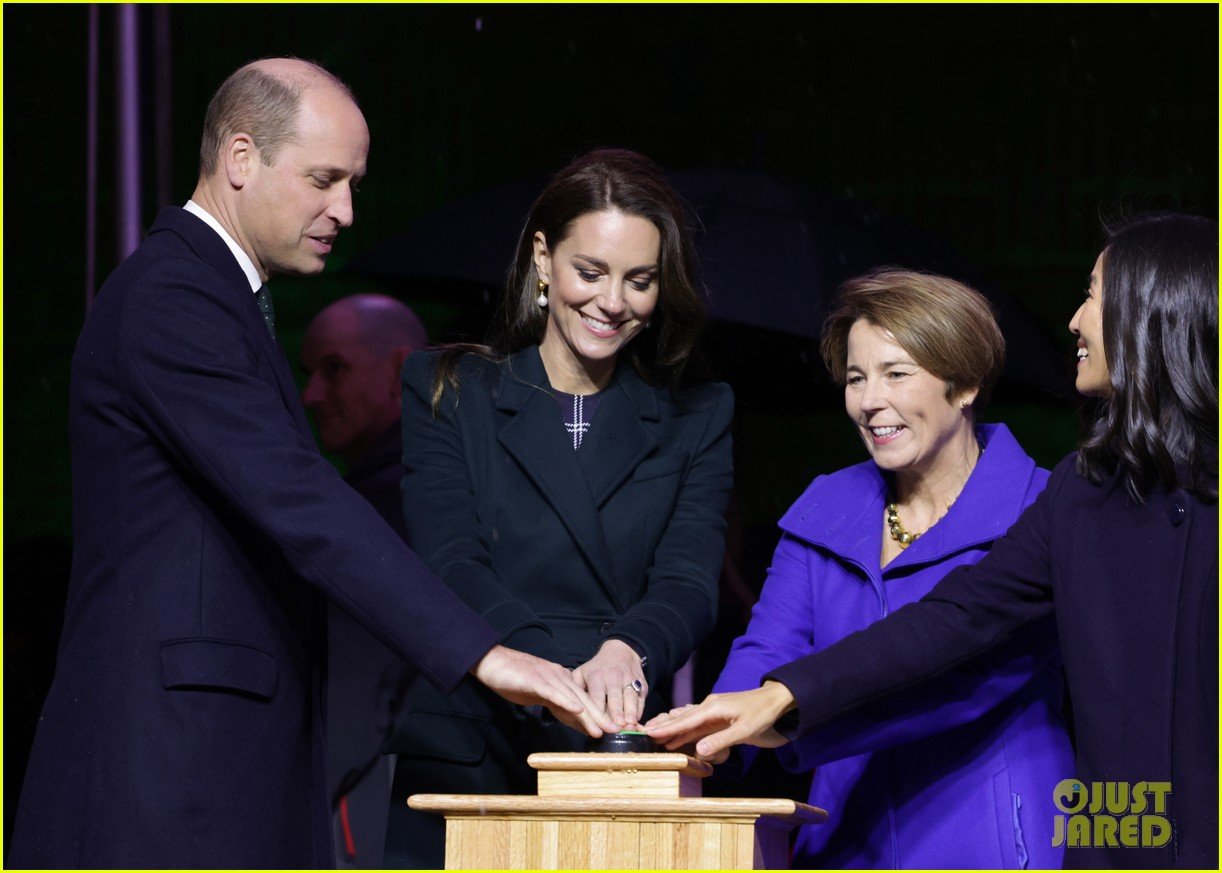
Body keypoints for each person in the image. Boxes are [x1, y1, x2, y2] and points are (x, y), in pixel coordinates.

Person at [8, 58, 613, 869]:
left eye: (354, 183)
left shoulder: (208, 293)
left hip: (201, 758)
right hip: (169, 770)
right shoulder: (173, 296)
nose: (346, 210)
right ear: (240, 159)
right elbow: (300, 500)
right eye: (325, 179)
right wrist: (482, 650)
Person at [648, 212, 1218, 868]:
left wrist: (781, 705)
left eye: (1091, 294)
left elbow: (975, 668)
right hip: (1086, 847)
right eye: (856, 377)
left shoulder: (1046, 496)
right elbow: (955, 620)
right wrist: (774, 699)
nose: (1074, 320)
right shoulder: (1081, 494)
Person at [383, 148, 735, 867]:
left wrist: (626, 648)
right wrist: (540, 665)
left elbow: (689, 580)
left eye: (640, 281)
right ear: (542, 258)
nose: (613, 302)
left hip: (618, 753)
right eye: (591, 271)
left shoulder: (697, 411)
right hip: (470, 749)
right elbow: (449, 560)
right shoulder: (449, 387)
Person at [703, 270, 1072, 867]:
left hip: (999, 835)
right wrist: (705, 735)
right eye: (855, 377)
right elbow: (767, 648)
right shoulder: (826, 506)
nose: (870, 401)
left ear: (966, 383)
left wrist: (781, 710)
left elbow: (966, 677)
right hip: (843, 832)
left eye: (897, 373)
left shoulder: (1041, 509)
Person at [300, 293, 429, 867]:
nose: (311, 395)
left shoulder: (401, 503)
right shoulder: (391, 492)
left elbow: (356, 692)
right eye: (310, 374)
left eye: (335, 369)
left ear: (401, 369)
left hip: (379, 809)